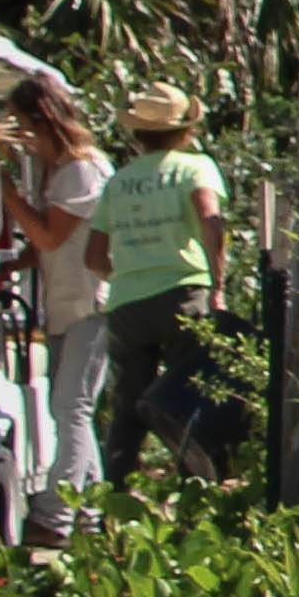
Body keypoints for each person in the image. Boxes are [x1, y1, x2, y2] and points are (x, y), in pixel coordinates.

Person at [88, 85, 227, 495]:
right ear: (185, 130)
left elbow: (94, 256)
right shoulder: (194, 168)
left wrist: (131, 269)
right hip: (183, 291)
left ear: (137, 135)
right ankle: (197, 493)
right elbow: (210, 220)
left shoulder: (118, 182)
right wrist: (217, 282)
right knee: (191, 399)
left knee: (128, 405)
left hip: (128, 302)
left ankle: (115, 498)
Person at [0, 79, 110, 516]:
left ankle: (55, 514)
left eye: (22, 126)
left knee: (70, 407)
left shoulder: (80, 169)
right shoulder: (59, 172)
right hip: (64, 303)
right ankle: (92, 512)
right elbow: (48, 242)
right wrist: (13, 264)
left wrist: (8, 195)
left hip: (89, 303)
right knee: (72, 410)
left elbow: (51, 238)